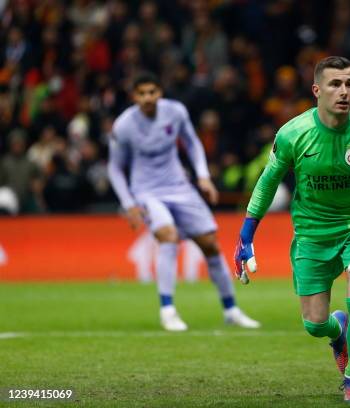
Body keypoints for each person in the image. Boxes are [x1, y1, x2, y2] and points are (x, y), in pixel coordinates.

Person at [234, 56, 350, 402]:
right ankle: (338, 331)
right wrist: (247, 232)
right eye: (335, 84)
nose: (344, 91)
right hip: (311, 233)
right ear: (317, 90)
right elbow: (267, 181)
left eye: (349, 83)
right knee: (315, 324)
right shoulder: (293, 134)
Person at [108, 72, 260, 331]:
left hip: (179, 186)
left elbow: (192, 143)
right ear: (134, 96)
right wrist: (129, 203)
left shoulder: (175, 112)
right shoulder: (124, 126)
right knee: (167, 236)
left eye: (152, 92)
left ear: (160, 93)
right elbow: (115, 168)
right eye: (142, 93)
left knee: (210, 244)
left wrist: (203, 176)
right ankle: (168, 310)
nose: (147, 98)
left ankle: (231, 309)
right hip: (147, 191)